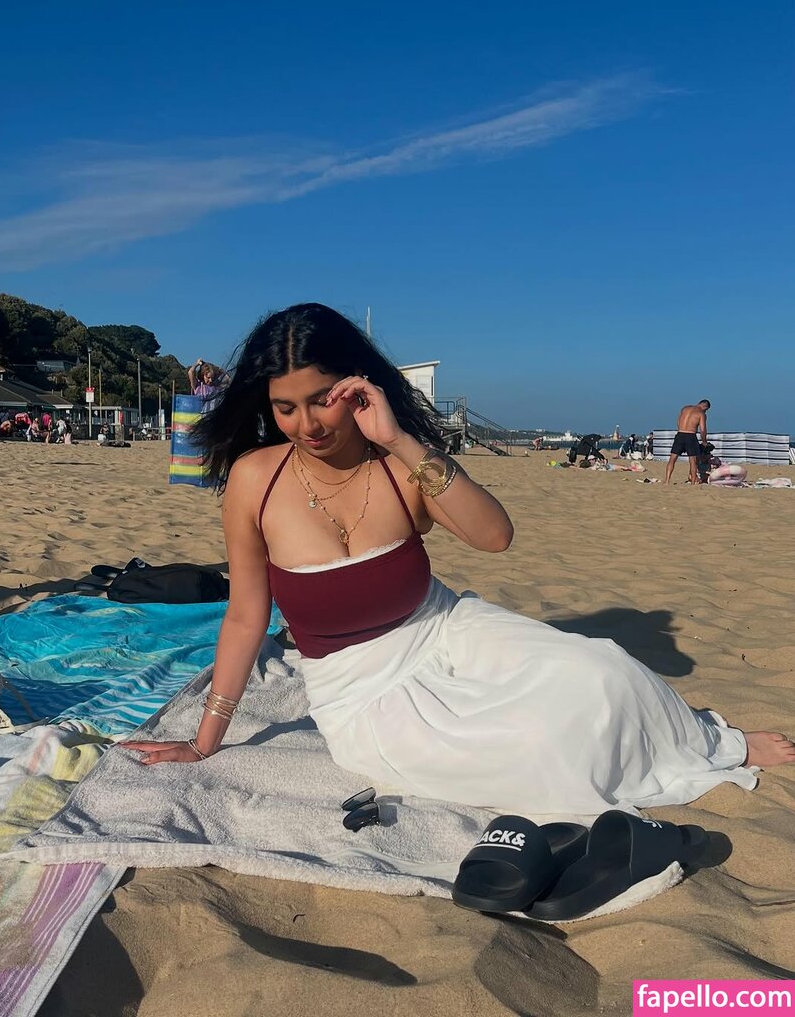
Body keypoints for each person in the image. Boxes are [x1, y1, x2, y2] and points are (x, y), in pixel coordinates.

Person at [123, 305, 794, 817]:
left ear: (357, 387)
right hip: (358, 689)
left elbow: (495, 536)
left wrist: (401, 441)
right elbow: (247, 616)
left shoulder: (401, 466)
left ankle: (715, 743)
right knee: (527, 746)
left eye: (323, 399)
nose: (309, 425)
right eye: (286, 408)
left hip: (446, 628)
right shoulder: (256, 480)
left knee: (606, 672)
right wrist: (207, 738)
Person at [664, 400, 710, 485]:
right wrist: (704, 442)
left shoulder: (685, 408)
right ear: (705, 406)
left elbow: (678, 422)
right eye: (706, 410)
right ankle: (692, 482)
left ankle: (667, 481)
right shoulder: (701, 413)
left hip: (680, 434)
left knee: (672, 459)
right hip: (691, 435)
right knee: (693, 461)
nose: (705, 411)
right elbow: (703, 429)